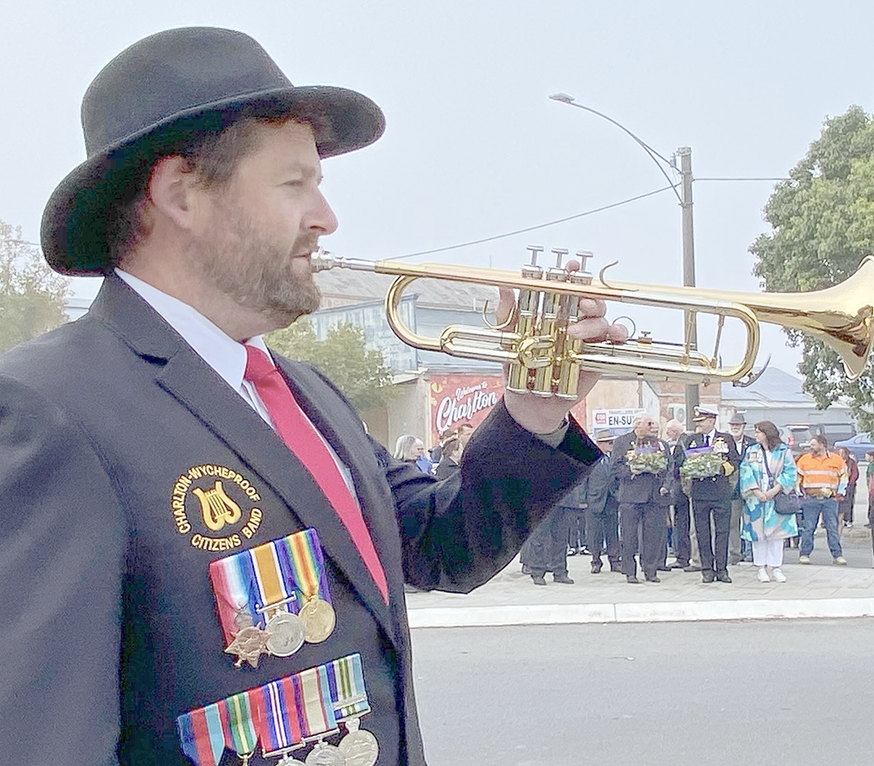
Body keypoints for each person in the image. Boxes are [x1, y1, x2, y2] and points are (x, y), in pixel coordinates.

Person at [0, 27, 624, 765]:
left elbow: (442, 550)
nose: (326, 218)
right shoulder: (49, 408)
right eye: (295, 184)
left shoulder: (303, 393)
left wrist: (534, 411)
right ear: (180, 194)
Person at [682, 407, 739, 583]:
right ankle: (706, 569)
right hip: (700, 491)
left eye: (701, 421)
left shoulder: (725, 439)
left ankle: (721, 569)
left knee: (722, 531)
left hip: (720, 490)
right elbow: (682, 462)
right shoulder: (692, 440)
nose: (698, 425)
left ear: (711, 421)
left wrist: (721, 469)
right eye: (697, 422)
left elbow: (735, 460)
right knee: (702, 532)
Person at [612, 413, 671, 583]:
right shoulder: (622, 442)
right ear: (638, 425)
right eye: (649, 423)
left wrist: (665, 486)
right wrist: (632, 471)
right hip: (631, 497)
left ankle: (650, 570)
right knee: (629, 536)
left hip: (655, 496)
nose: (653, 427)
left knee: (652, 536)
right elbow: (615, 468)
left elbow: (669, 466)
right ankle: (630, 571)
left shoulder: (660, 444)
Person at [738, 421, 798, 582]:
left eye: (758, 432)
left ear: (767, 433)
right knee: (758, 535)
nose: (756, 434)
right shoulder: (752, 451)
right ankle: (760, 567)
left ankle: (776, 567)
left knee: (776, 535)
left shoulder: (783, 451)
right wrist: (756, 491)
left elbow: (790, 472)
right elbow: (745, 472)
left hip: (776, 497)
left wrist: (774, 490)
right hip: (756, 499)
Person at [795, 436, 848, 565]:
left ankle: (837, 555)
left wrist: (840, 493)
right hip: (810, 499)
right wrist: (799, 493)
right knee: (809, 528)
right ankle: (804, 554)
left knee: (832, 528)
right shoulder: (804, 459)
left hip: (830, 500)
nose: (810, 447)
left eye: (813, 444)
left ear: (822, 445)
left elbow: (844, 477)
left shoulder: (837, 460)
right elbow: (797, 479)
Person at [664, 418, 699, 572]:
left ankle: (682, 557)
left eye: (668, 432)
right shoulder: (687, 441)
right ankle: (686, 556)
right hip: (686, 489)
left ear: (674, 431)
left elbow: (676, 466)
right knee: (684, 523)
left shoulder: (682, 443)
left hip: (681, 489)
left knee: (681, 523)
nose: (667, 435)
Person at [586, 429, 622, 574]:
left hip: (611, 500)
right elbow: (583, 480)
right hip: (594, 499)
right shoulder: (590, 457)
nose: (611, 444)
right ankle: (596, 561)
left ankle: (615, 561)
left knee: (612, 532)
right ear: (600, 443)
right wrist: (583, 499)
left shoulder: (614, 457)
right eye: (608, 442)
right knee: (595, 533)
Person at [728, 412, 755, 565]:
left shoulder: (752, 444)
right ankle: (735, 554)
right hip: (732, 491)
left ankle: (752, 553)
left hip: (751, 489)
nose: (735, 427)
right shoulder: (723, 442)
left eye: (738, 425)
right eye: (733, 425)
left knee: (752, 521)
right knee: (733, 523)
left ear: (744, 426)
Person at [837, 447, 860, 529]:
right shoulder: (836, 461)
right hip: (837, 485)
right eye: (840, 453)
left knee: (848, 503)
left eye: (843, 453)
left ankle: (848, 520)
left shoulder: (851, 462)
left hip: (849, 485)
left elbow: (855, 474)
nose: (841, 455)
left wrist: (850, 483)